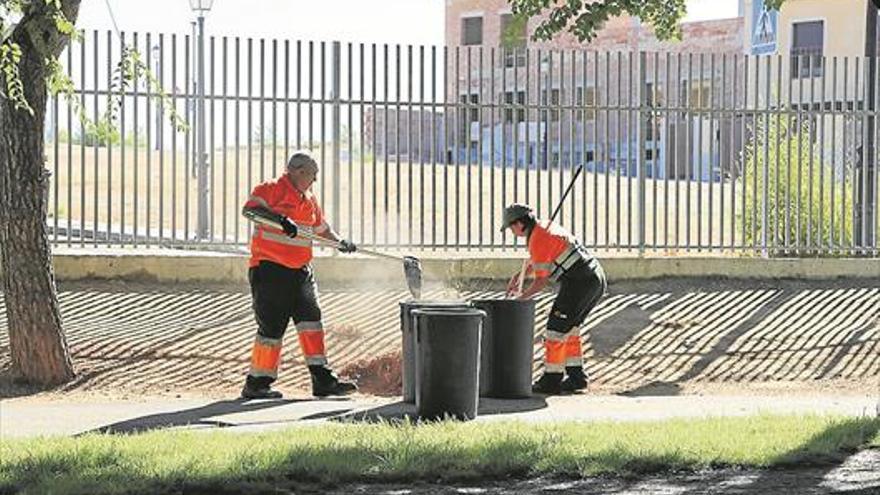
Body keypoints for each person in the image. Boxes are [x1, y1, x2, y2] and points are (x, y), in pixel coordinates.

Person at [239, 151, 358, 399]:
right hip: (270, 268)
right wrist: (281, 220)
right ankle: (257, 383)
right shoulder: (270, 189)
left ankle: (322, 379)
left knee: (311, 321)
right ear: (298, 171)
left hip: (301, 271)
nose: (314, 181)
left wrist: (340, 242)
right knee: (271, 328)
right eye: (312, 175)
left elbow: (322, 229)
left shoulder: (309, 199)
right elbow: (250, 211)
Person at [500, 203, 607, 395]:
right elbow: (545, 257)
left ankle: (552, 379)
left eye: (510, 227)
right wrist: (521, 275)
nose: (511, 231)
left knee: (555, 331)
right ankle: (577, 378)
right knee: (570, 329)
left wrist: (521, 299)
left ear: (519, 223)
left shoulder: (538, 238)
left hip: (579, 283)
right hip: (594, 279)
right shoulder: (543, 227)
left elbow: (542, 281)